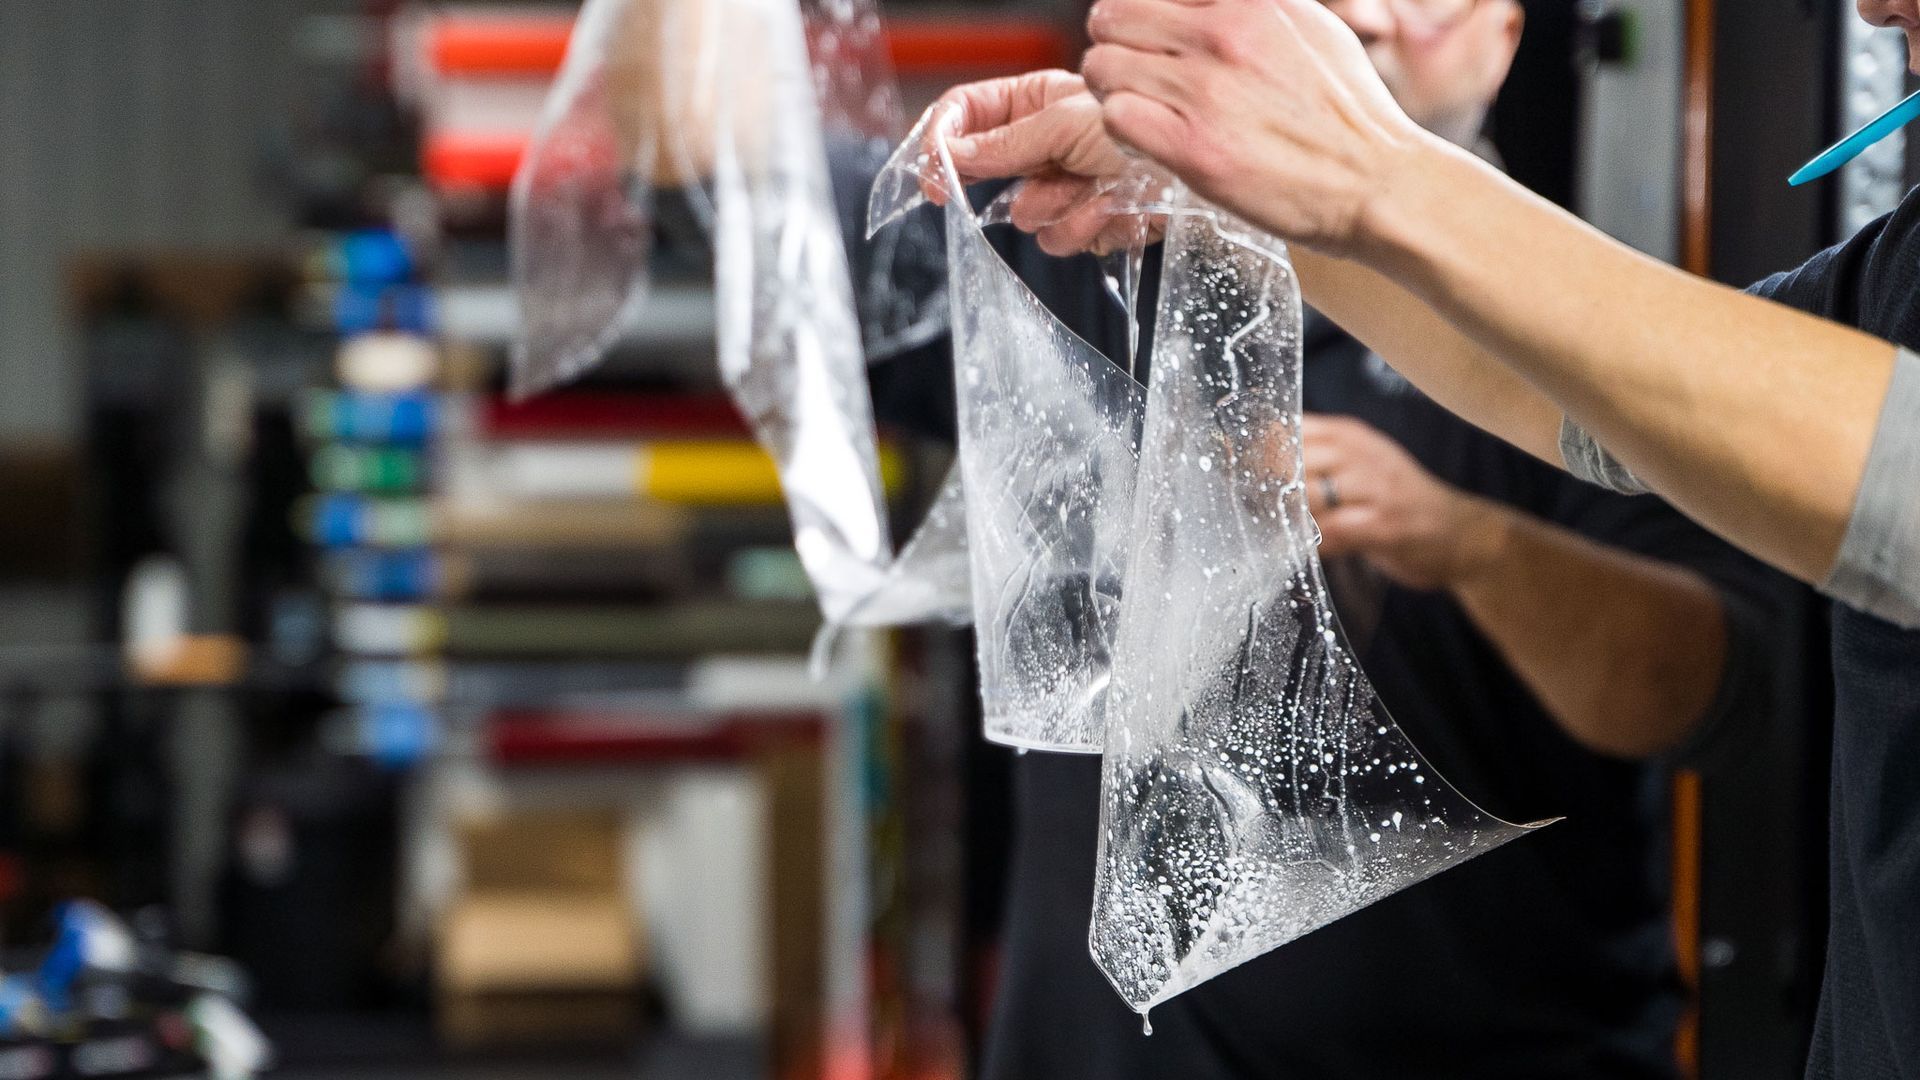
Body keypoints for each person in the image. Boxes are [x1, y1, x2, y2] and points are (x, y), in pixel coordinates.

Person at [933, 0, 1920, 1074]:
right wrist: (1234, 189)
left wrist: (1371, 179)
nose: (1871, 5)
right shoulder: (1898, 265)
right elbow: (1617, 415)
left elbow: (1885, 492)